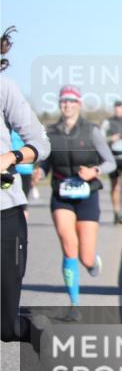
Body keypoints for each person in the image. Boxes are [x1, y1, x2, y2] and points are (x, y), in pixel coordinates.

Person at [35, 85, 115, 313]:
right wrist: (40, 170)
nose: (67, 105)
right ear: (60, 104)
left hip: (87, 194)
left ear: (79, 104)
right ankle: (74, 303)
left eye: (72, 101)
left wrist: (94, 171)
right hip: (62, 194)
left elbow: (110, 162)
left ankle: (91, 262)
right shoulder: (50, 133)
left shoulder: (92, 131)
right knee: (68, 244)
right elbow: (46, 161)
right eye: (63, 101)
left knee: (85, 256)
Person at [1, 27, 51, 342]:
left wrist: (12, 156)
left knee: (6, 327)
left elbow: (41, 144)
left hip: (4, 212)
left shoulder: (4, 89)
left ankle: (39, 331)